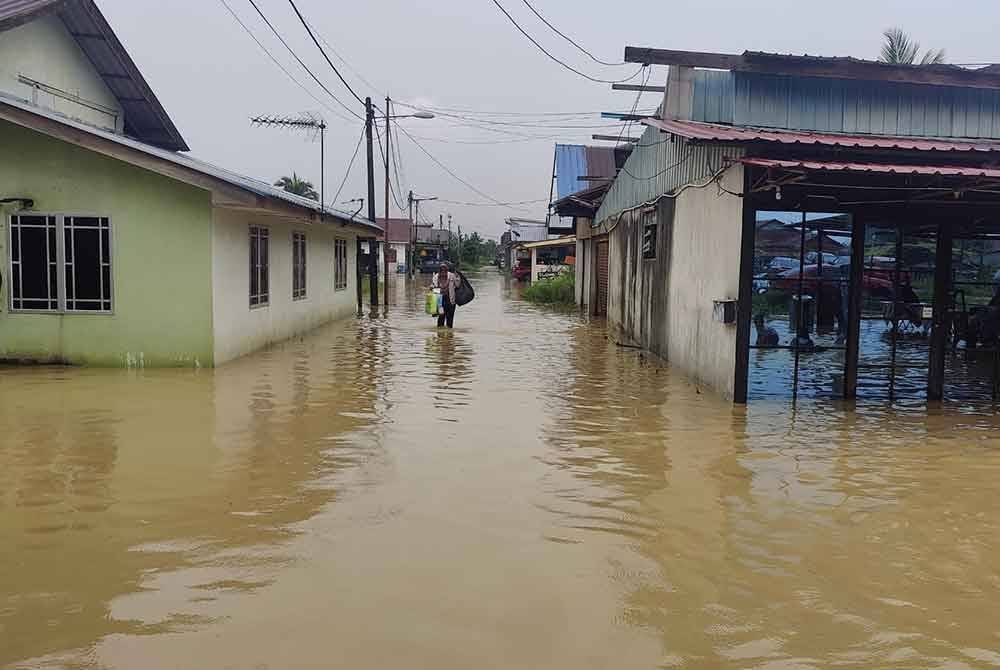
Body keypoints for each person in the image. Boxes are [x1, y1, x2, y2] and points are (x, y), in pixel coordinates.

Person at [431, 263, 460, 328]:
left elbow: (457, 285)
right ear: (439, 271)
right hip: (440, 301)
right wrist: (432, 287)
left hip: (450, 300)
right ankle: (440, 334)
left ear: (447, 270)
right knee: (441, 316)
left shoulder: (452, 276)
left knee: (450, 318)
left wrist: (458, 277)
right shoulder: (436, 277)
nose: (443, 272)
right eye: (442, 270)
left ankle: (449, 335)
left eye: (445, 270)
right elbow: (434, 287)